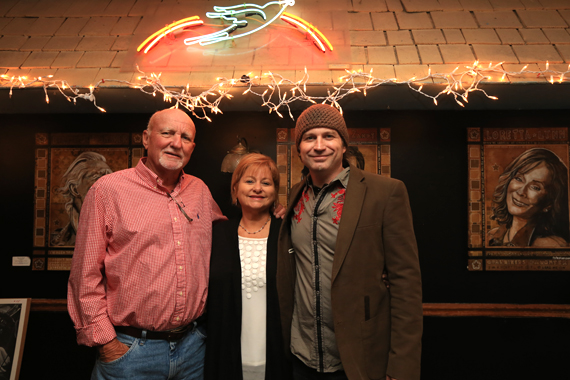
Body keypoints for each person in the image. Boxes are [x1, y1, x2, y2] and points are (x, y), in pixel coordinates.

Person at [68, 108, 226, 380]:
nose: (176, 143)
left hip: (194, 349)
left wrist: (271, 214)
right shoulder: (107, 191)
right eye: (167, 133)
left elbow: (230, 236)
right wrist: (107, 344)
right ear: (146, 138)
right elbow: (85, 275)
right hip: (131, 352)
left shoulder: (200, 190)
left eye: (185, 137)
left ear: (192, 147)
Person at [276, 104, 423, 380]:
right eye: (309, 138)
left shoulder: (386, 192)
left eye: (329, 136)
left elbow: (406, 285)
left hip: (358, 360)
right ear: (299, 150)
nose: (319, 146)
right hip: (301, 357)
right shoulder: (296, 195)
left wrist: (402, 368)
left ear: (344, 146)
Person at [205, 153, 291, 380]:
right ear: (235, 188)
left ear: (275, 191)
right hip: (225, 352)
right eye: (250, 181)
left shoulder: (287, 234)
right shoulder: (217, 234)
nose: (258, 188)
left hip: (278, 352)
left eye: (266, 183)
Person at [488, 147, 569, 247]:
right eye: (519, 179)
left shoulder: (550, 244)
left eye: (535, 187)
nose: (521, 192)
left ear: (549, 203)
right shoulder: (494, 235)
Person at [51, 151, 113, 246]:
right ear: (74, 189)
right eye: (96, 176)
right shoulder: (60, 239)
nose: (106, 183)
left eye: (109, 176)